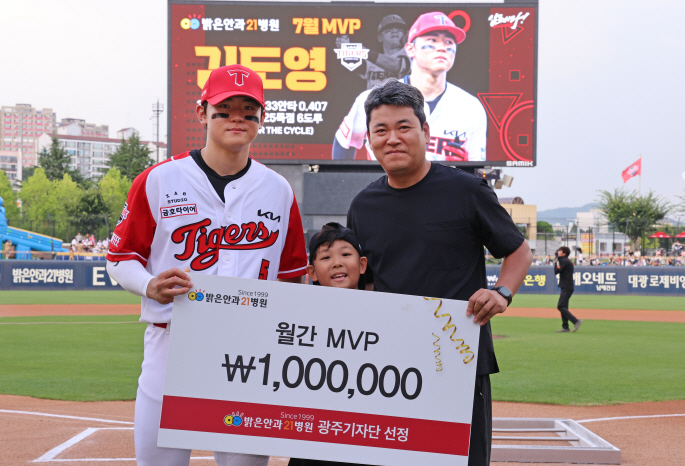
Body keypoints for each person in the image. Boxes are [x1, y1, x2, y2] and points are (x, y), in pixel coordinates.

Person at [106, 64, 308, 466]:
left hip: (250, 353)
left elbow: (291, 277)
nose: (238, 117)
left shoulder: (278, 190)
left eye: (248, 109)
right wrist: (149, 285)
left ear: (261, 118)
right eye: (225, 108)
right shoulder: (158, 179)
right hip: (172, 343)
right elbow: (120, 258)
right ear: (202, 113)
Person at [346, 79, 532, 466]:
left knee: (462, 459)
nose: (392, 138)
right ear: (369, 138)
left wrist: (502, 292)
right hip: (389, 362)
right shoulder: (364, 205)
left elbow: (518, 252)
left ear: (425, 131)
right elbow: (361, 282)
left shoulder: (466, 190)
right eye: (381, 130)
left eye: (403, 127)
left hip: (459, 356)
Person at [333, 11, 487, 162]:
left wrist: (465, 171)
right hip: (386, 186)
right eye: (432, 40)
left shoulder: (471, 107)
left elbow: (479, 170)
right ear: (410, 49)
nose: (442, 47)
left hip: (443, 187)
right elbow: (344, 142)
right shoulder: (371, 99)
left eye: (448, 42)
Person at [288, 223, 369, 466]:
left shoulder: (386, 316)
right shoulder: (297, 318)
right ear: (311, 272)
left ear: (362, 264)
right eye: (326, 257)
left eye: (346, 254)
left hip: (366, 437)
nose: (337, 263)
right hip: (314, 437)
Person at [554, 247, 582, 333]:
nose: (558, 252)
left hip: (567, 287)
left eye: (560, 251)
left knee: (560, 306)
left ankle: (576, 321)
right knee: (564, 307)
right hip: (567, 286)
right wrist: (557, 260)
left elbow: (557, 270)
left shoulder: (564, 261)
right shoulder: (564, 260)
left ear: (564, 253)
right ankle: (565, 327)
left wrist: (556, 261)